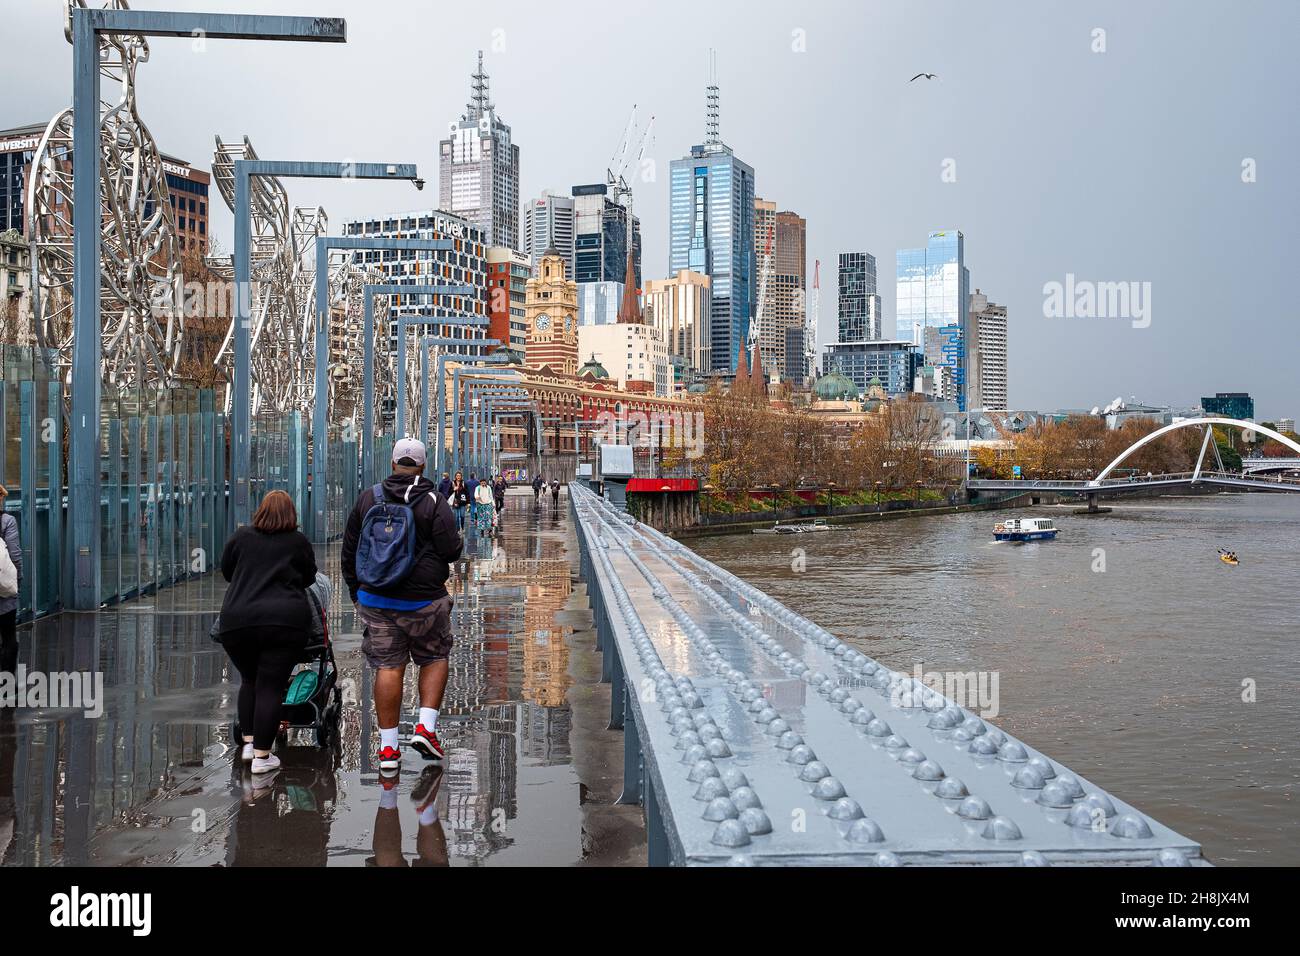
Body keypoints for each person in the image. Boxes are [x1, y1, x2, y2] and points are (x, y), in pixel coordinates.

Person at [341, 438, 463, 774]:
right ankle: (425, 727)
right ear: (422, 467)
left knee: (389, 667)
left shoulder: (369, 498)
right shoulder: (434, 501)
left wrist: (357, 593)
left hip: (377, 600)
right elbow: (451, 550)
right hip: (425, 600)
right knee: (435, 656)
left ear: (393, 463)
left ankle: (388, 750)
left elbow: (350, 550)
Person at [217, 489, 318, 775]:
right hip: (284, 622)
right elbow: (309, 577)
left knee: (249, 680)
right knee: (271, 686)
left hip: (238, 621)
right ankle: (263, 756)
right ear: (292, 514)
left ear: (260, 510)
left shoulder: (240, 538)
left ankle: (249, 744)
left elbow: (227, 572)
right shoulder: (297, 542)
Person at [0, 486, 21, 676]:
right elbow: (14, 555)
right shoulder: (7, 521)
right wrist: (17, 581)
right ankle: (5, 681)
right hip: (4, 591)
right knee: (8, 636)